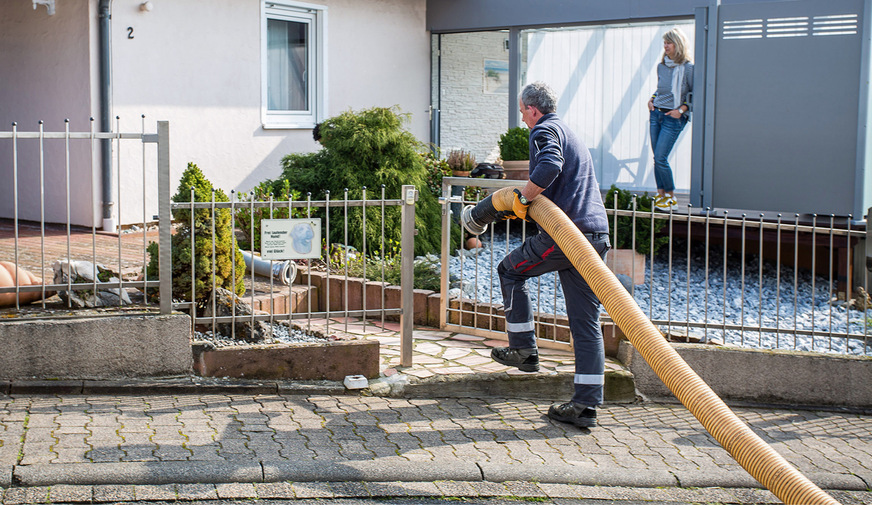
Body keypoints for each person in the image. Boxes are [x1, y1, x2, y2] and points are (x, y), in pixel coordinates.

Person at [490, 82, 611, 428]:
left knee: (510, 271)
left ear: (532, 109)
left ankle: (524, 349)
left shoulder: (545, 130)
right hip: (595, 236)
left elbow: (548, 167)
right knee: (585, 323)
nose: (522, 118)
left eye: (521, 111)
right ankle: (585, 407)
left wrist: (524, 199)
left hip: (565, 234)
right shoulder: (568, 131)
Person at [647, 27, 693, 212]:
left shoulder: (688, 68)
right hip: (656, 114)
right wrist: (652, 99)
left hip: (673, 118)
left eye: (669, 43)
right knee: (657, 158)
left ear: (678, 44)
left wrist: (681, 110)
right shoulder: (662, 66)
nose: (665, 46)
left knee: (661, 157)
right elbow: (661, 89)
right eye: (664, 43)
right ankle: (661, 195)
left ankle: (671, 198)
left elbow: (693, 93)